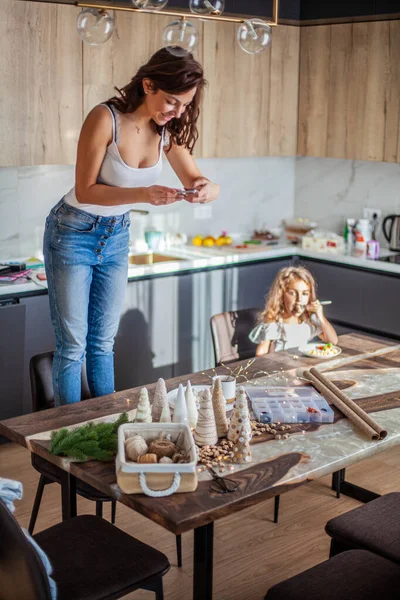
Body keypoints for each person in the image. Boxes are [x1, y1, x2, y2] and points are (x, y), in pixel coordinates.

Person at [43, 47, 220, 406]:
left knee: (103, 343)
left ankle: (107, 427)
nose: (177, 112)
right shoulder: (104, 118)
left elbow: (196, 176)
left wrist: (207, 189)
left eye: (185, 105)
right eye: (172, 101)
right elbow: (85, 189)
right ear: (148, 84)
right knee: (73, 344)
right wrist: (144, 194)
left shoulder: (167, 130)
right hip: (72, 232)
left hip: (116, 235)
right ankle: (67, 437)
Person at [249, 266, 338, 356]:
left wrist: (321, 317)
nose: (299, 299)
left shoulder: (308, 321)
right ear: (281, 295)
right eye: (292, 293)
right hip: (280, 367)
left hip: (302, 367)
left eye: (304, 294)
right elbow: (260, 355)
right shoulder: (274, 324)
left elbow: (333, 340)